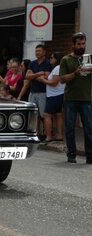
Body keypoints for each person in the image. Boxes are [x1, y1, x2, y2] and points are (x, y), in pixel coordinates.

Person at [60, 32, 92, 164]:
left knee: (89, 128)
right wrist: (75, 73)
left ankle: (90, 155)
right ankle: (71, 154)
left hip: (87, 98)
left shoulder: (89, 58)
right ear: (73, 44)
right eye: (78, 44)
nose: (81, 46)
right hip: (70, 99)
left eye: (83, 43)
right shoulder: (66, 59)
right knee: (70, 128)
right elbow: (62, 79)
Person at [38, 52, 65, 143]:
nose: (50, 59)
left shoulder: (58, 68)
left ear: (57, 59)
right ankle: (59, 136)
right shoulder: (58, 68)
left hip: (55, 95)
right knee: (58, 114)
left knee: (46, 115)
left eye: (52, 57)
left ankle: (48, 137)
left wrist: (43, 80)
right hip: (58, 94)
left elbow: (54, 83)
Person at [26, 44, 52, 139]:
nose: (37, 53)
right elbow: (27, 76)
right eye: (36, 51)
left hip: (43, 92)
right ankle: (37, 133)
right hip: (33, 92)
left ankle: (46, 134)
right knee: (34, 113)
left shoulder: (47, 63)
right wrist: (39, 74)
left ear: (44, 52)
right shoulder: (32, 63)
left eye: (39, 51)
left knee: (43, 114)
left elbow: (45, 77)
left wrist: (33, 75)